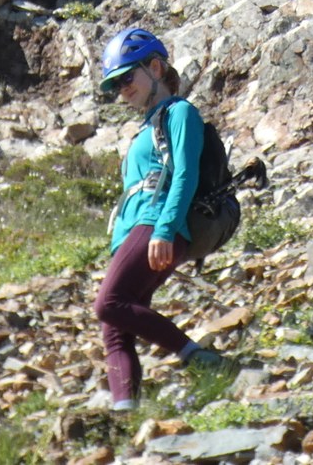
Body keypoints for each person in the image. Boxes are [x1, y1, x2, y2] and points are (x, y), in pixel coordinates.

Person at [91, 27, 232, 411]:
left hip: (156, 224)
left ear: (155, 68)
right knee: (115, 332)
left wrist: (165, 229)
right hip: (134, 230)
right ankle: (126, 415)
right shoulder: (146, 126)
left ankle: (200, 359)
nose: (122, 89)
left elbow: (185, 174)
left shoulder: (179, 112)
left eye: (126, 77)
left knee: (108, 303)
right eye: (115, 85)